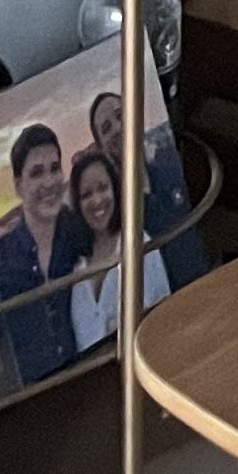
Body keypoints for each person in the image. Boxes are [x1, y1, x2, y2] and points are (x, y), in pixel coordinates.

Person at [0, 120, 81, 383]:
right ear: (18, 186)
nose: (49, 181)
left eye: (54, 169)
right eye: (36, 173)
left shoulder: (81, 232)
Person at [67, 146, 173, 353]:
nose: (97, 200)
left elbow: (163, 318)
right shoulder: (76, 274)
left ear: (115, 189)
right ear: (78, 204)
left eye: (103, 188)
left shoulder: (139, 243)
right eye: (86, 194)